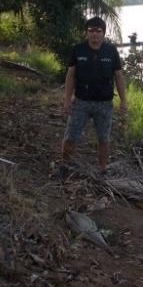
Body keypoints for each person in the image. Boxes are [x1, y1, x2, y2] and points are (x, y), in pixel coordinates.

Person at [61, 16, 127, 172]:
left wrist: (123, 101)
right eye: (91, 31)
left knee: (104, 139)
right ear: (86, 33)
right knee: (70, 136)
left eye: (98, 31)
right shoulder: (78, 49)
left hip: (104, 104)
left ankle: (102, 169)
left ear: (103, 33)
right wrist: (67, 100)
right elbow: (70, 75)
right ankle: (64, 166)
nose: (94, 34)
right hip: (81, 102)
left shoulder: (111, 51)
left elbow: (118, 76)